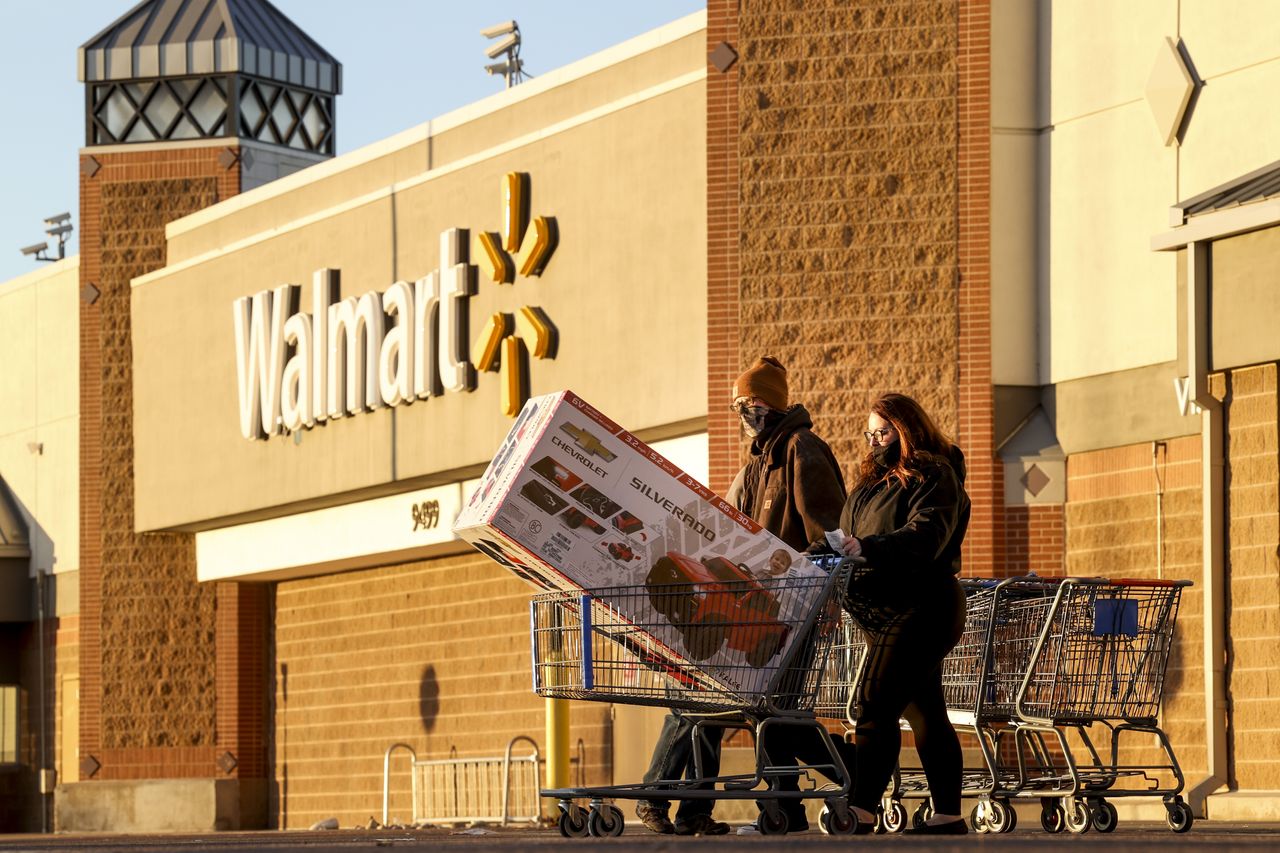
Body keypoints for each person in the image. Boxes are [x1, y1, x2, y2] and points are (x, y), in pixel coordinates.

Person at [635, 356, 847, 836]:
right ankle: (771, 808)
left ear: (769, 402)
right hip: (752, 605)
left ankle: (852, 775)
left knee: (751, 708)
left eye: (747, 403)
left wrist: (826, 598)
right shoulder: (758, 462)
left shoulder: (801, 450)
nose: (741, 413)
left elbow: (830, 532)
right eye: (737, 405)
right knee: (755, 708)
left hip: (790, 608)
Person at [830, 392, 970, 835]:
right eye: (870, 434)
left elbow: (926, 534)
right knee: (925, 711)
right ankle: (948, 815)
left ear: (906, 429)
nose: (875, 442)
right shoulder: (870, 484)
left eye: (884, 432)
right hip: (880, 610)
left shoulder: (935, 473)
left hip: (923, 605)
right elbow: (845, 536)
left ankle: (863, 810)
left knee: (874, 703)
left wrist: (868, 548)